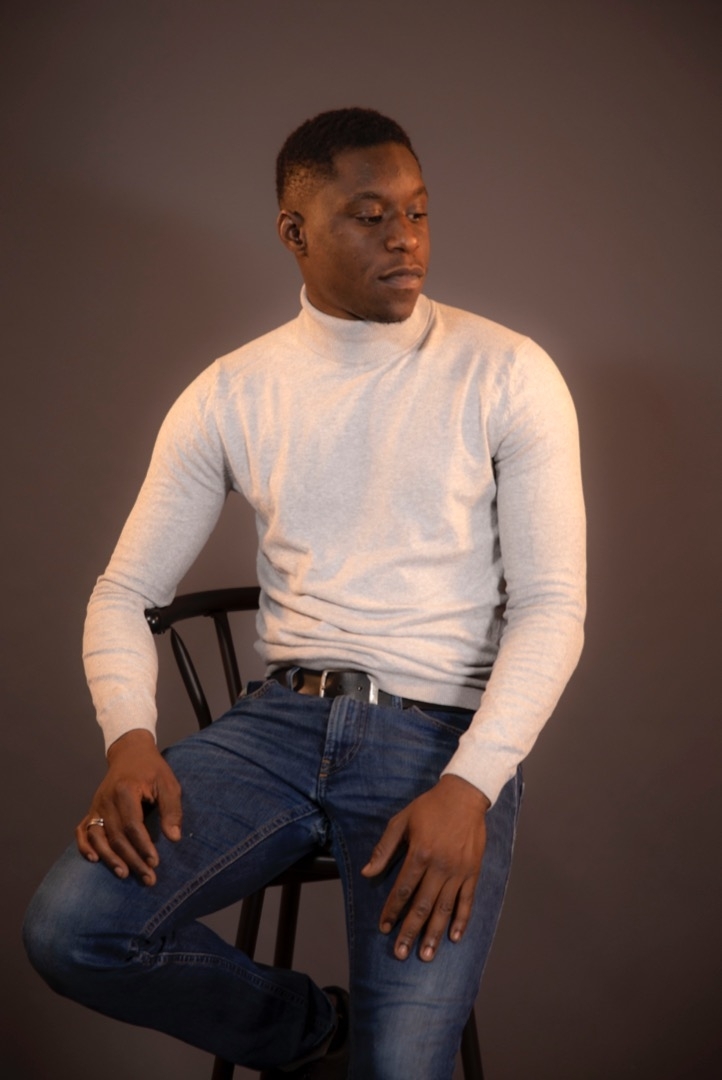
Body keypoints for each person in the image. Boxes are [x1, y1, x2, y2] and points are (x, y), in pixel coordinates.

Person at [24, 107, 586, 1079]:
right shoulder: (231, 391)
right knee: (71, 931)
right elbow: (124, 590)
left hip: (435, 741)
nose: (404, 237)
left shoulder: (507, 372)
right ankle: (313, 1033)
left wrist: (470, 786)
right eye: (370, 215)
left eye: (417, 211)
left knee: (401, 1069)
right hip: (274, 731)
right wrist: (128, 736)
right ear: (295, 231)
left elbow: (552, 607)